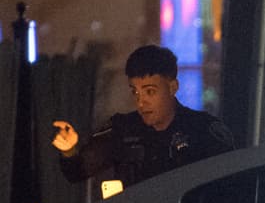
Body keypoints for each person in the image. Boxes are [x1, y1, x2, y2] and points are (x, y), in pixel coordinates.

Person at [52, 45, 235, 189]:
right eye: (135, 92)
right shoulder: (124, 129)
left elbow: (228, 184)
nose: (141, 101)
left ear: (172, 87)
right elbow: (77, 171)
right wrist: (69, 150)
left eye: (150, 91)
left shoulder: (202, 130)